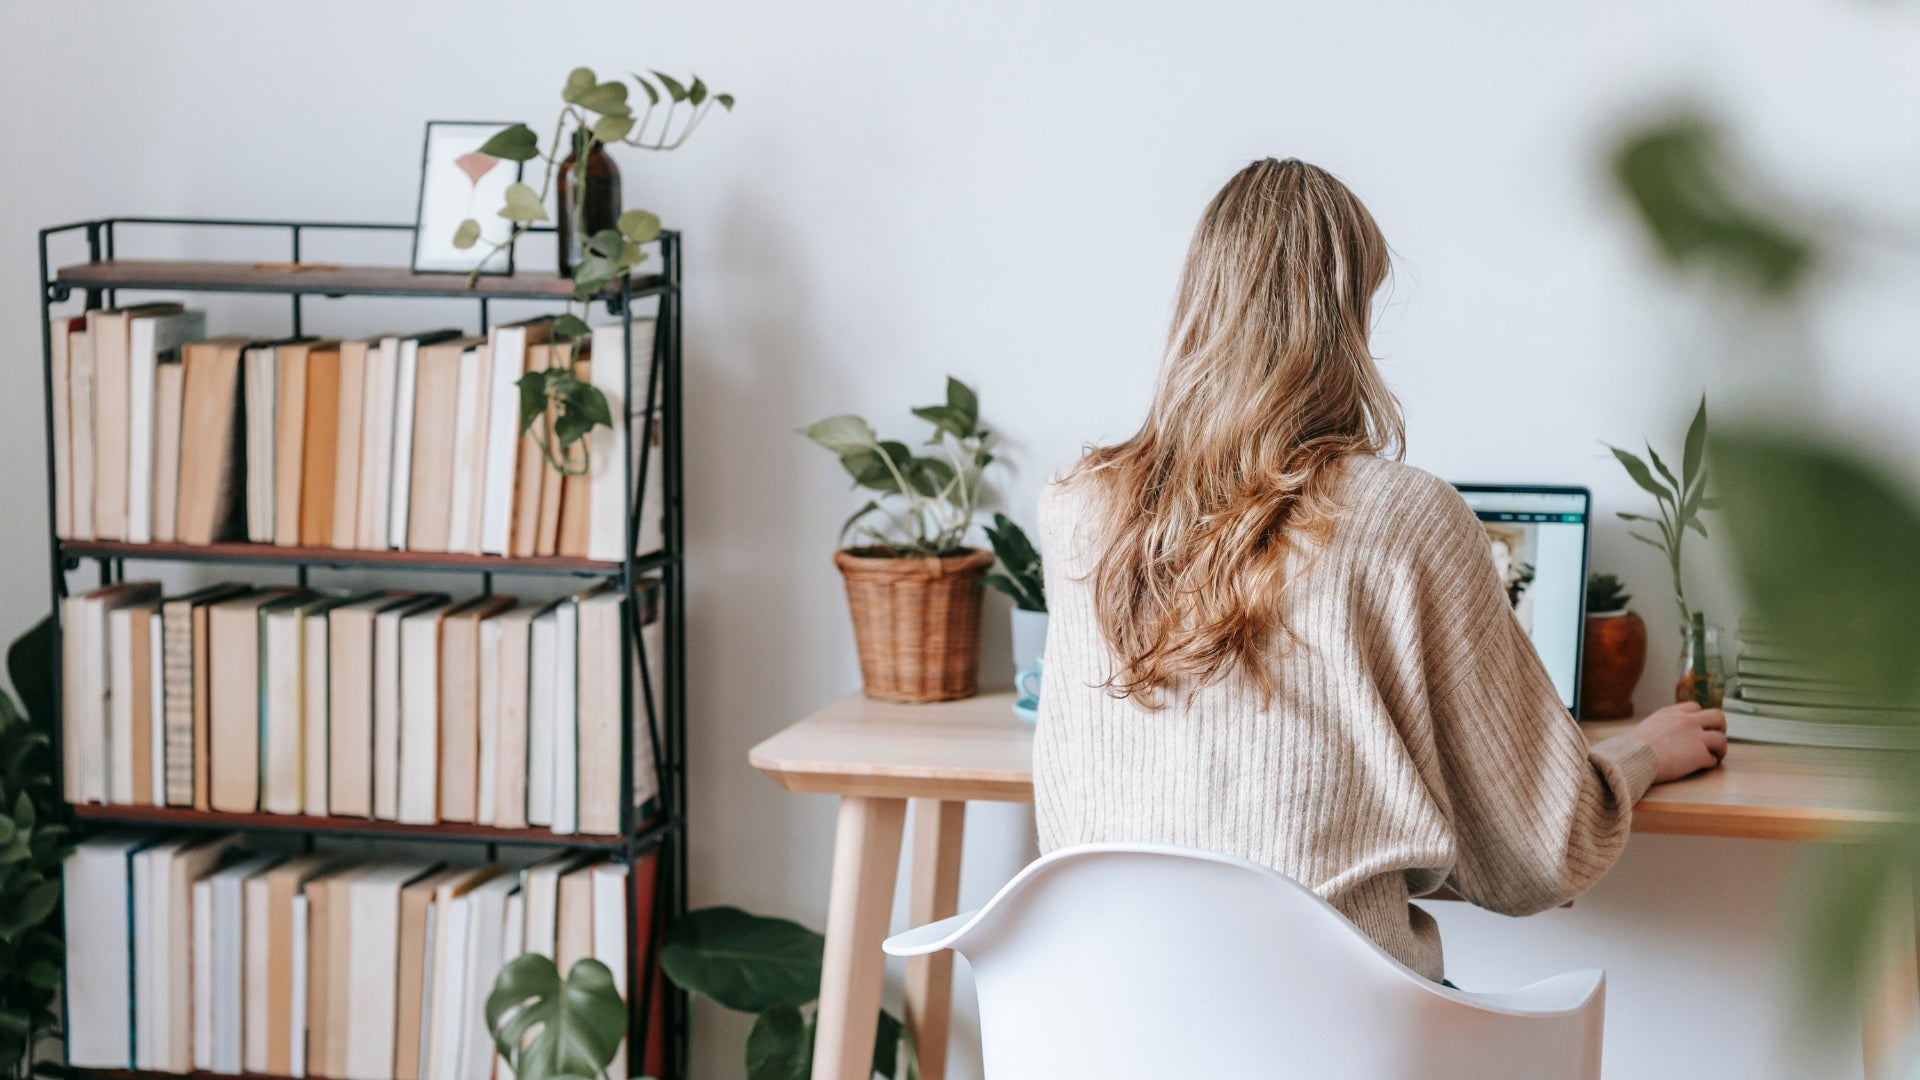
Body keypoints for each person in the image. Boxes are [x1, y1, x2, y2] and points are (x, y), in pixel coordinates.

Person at [1031, 157, 1727, 985]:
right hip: (1341, 1040)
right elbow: (1542, 852)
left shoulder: (1077, 512)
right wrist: (1640, 753)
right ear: (1346, 319)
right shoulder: (1407, 519)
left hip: (1108, 1033)